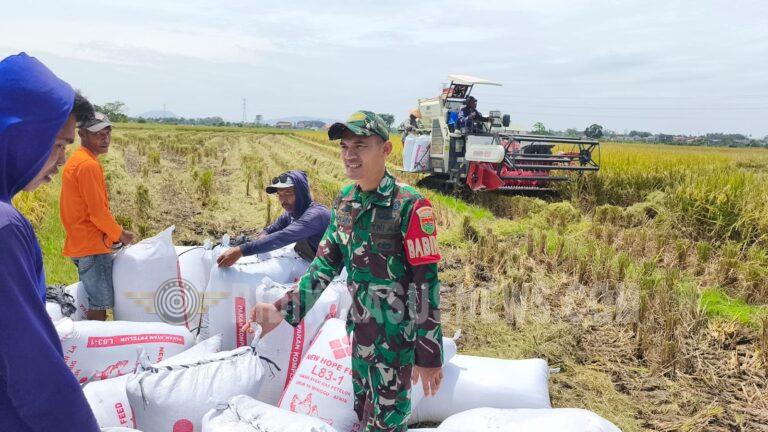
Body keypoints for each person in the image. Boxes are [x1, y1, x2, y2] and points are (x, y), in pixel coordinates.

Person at [247, 111, 444, 431]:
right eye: (344, 146)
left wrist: (429, 353)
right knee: (362, 415)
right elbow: (324, 264)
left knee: (387, 424)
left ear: (386, 149)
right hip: (360, 332)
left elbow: (426, 283)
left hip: (395, 342)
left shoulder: (409, 204)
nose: (350, 155)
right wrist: (280, 309)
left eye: (361, 145)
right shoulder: (346, 201)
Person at [0, 52, 100, 431]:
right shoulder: (4, 228)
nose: (60, 161)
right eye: (58, 144)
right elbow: (32, 372)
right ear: (20, 132)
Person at [60, 112, 135, 321]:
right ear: (82, 134)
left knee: (95, 300)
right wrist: (121, 235)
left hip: (82, 242)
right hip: (92, 247)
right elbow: (98, 213)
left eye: (107, 133)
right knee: (99, 305)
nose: (105, 139)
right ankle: (92, 348)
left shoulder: (79, 160)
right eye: (97, 135)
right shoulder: (88, 165)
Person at [216, 170, 331, 266]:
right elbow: (273, 228)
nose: (283, 200)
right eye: (279, 194)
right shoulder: (293, 213)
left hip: (335, 271)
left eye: (288, 193)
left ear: (301, 193)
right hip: (312, 261)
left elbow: (283, 237)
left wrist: (241, 250)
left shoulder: (316, 215)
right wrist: (263, 234)